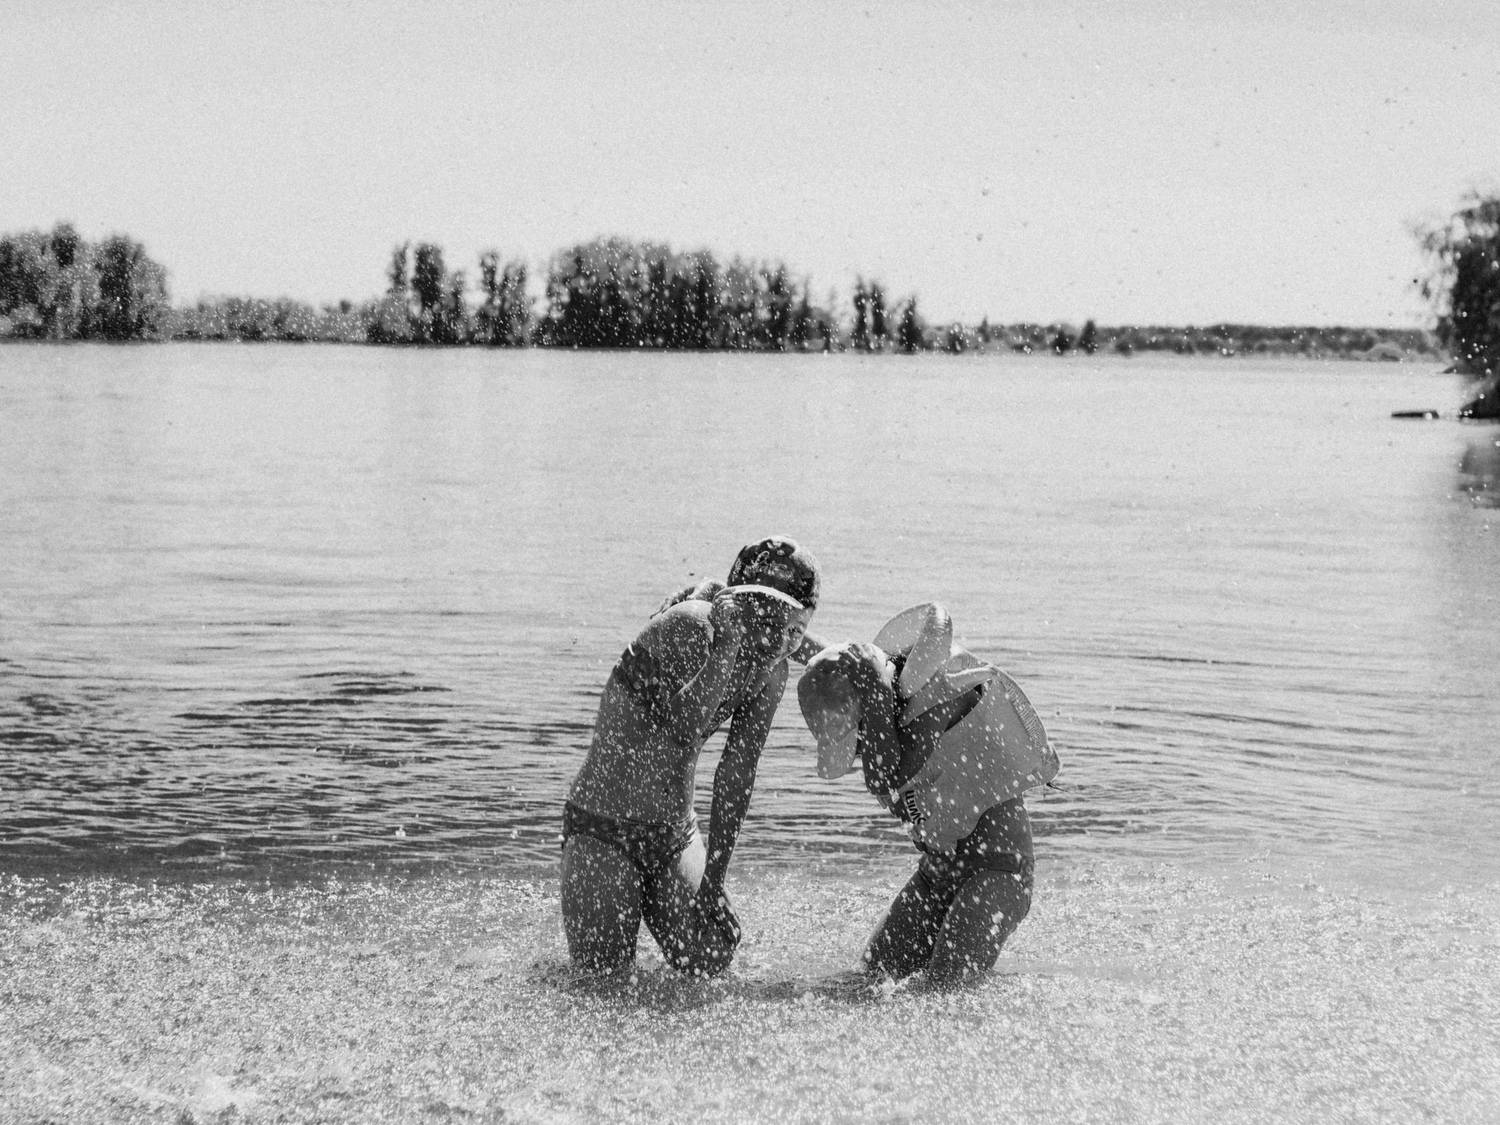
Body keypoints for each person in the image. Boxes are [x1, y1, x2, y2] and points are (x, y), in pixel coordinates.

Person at [561, 536, 824, 976]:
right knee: (601, 984)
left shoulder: (771, 670)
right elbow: (683, 729)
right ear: (737, 606)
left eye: (794, 630)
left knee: (712, 956)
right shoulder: (690, 627)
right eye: (767, 619)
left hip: (674, 835)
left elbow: (737, 776)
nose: (779, 640)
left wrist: (714, 881)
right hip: (604, 827)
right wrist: (726, 646)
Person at [797, 603, 1059, 984]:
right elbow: (846, 678)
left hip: (998, 871)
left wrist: (872, 691)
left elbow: (887, 777)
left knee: (945, 986)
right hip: (936, 873)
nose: (860, 754)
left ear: (877, 701)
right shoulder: (885, 703)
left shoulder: (939, 696)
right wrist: (791, 637)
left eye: (858, 741)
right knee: (871, 978)